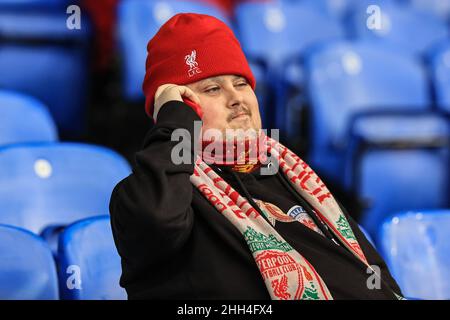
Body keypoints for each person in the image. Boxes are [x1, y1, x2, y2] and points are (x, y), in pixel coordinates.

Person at [109, 13, 403, 300]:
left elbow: (373, 273)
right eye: (212, 88)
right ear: (182, 109)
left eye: (241, 83)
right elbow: (157, 221)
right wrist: (174, 124)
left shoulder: (291, 175)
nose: (236, 98)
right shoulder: (149, 196)